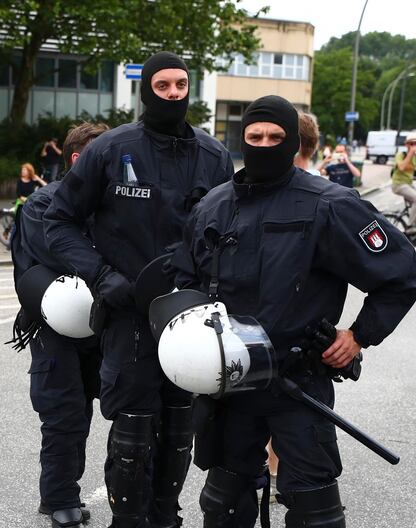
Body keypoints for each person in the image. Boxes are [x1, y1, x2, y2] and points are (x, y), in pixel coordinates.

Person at [169, 95, 416, 527]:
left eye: (276, 136)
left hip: (298, 382)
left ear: (292, 140)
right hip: (231, 385)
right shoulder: (213, 205)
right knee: (223, 502)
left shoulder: (330, 203)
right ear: (241, 139)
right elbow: (185, 282)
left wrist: (357, 335)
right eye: (254, 136)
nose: (264, 144)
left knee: (313, 509)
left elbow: (402, 273)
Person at [44, 51, 234, 528]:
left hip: (189, 318)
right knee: (132, 429)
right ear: (146, 89)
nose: (173, 94)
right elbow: (59, 221)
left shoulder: (213, 157)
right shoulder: (111, 149)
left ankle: (166, 517)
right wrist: (102, 277)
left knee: (178, 428)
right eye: (163, 86)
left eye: (181, 85)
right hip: (127, 315)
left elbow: (236, 234)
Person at [10, 122, 109, 528]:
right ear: (78, 159)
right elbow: (58, 256)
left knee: (130, 408)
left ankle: (118, 489)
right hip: (57, 325)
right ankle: (59, 497)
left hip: (109, 319)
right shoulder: (42, 204)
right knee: (65, 412)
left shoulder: (115, 203)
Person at [391, 133, 416, 229]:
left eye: (415, 144)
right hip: (398, 184)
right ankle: (411, 227)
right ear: (406, 145)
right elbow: (401, 167)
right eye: (411, 144)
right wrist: (410, 153)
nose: (413, 146)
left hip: (408, 184)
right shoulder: (401, 154)